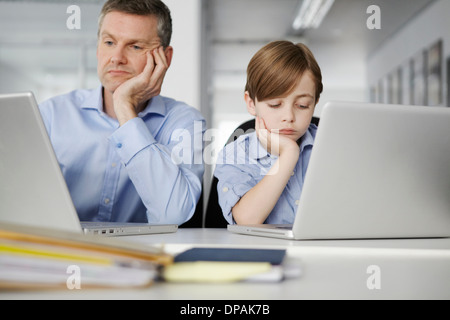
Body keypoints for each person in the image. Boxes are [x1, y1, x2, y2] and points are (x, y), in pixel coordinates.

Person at [39, 0, 205, 225]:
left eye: (135, 46)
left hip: (143, 255)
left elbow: (171, 215)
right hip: (61, 251)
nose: (116, 57)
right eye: (109, 42)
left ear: (165, 58)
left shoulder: (185, 123)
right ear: (98, 48)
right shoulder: (51, 115)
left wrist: (125, 108)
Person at [214, 41, 323, 225]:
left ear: (315, 102)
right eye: (275, 105)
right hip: (263, 253)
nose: (289, 117)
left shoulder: (332, 144)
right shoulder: (235, 155)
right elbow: (247, 220)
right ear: (251, 103)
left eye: (302, 105)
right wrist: (289, 154)